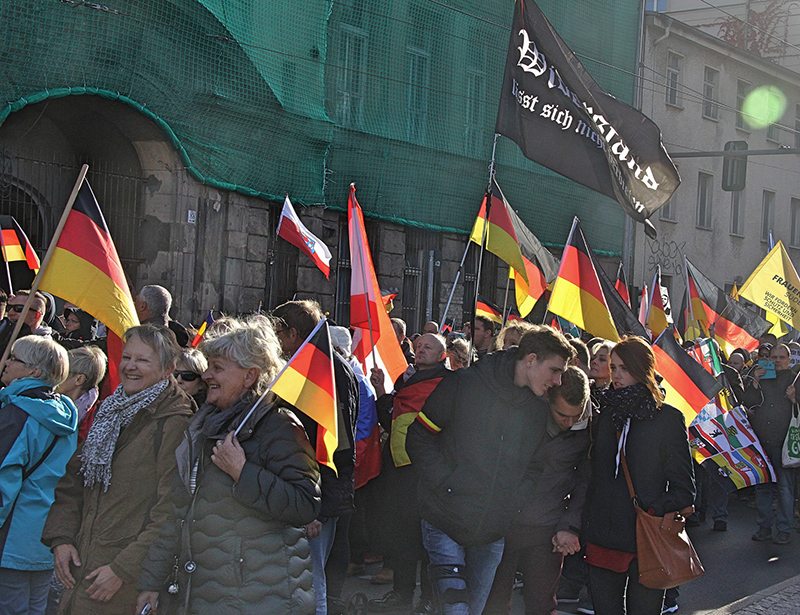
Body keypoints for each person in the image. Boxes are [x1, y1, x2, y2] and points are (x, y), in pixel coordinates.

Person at [136, 317, 320, 615]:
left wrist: (243, 472)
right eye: (209, 366)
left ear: (249, 376)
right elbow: (177, 513)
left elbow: (304, 504)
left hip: (260, 599)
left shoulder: (279, 426)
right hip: (202, 593)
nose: (206, 374)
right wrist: (151, 582)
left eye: (218, 368)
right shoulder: (202, 428)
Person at [406, 326, 575, 615]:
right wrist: (447, 484)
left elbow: (535, 467)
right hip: (444, 518)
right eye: (555, 370)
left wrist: (510, 504)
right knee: (456, 611)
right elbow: (419, 437)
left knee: (474, 611)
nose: (558, 381)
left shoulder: (537, 409)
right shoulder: (465, 383)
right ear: (531, 359)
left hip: (492, 530)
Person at [41, 325, 193, 615]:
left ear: (167, 369)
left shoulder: (174, 422)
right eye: (127, 357)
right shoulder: (110, 409)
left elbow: (172, 510)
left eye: (143, 360)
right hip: (83, 571)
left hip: (124, 584)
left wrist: (122, 569)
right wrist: (60, 540)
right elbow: (73, 482)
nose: (130, 367)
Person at [583, 336, 695, 615]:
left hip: (645, 535)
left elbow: (684, 488)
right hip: (602, 533)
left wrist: (654, 509)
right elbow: (594, 474)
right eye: (613, 367)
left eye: (623, 368)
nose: (615, 374)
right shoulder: (606, 414)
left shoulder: (667, 418)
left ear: (641, 369)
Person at [272, 300, 359, 615]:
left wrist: (314, 505)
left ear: (293, 334)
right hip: (317, 491)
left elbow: (328, 442)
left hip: (317, 492)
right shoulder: (328, 366)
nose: (276, 340)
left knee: (311, 581)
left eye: (278, 332)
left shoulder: (322, 370)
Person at [484, 366, 591, 615]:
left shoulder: (589, 426)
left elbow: (585, 481)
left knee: (542, 604)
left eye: (576, 416)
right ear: (547, 398)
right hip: (503, 521)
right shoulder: (521, 412)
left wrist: (569, 526)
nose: (569, 422)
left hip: (547, 526)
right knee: (494, 602)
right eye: (562, 414)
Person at [369, 333, 449, 615]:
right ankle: (401, 594)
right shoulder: (405, 381)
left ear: (443, 355)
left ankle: (430, 599)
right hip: (400, 471)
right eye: (418, 346)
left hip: (427, 471)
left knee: (428, 541)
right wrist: (381, 392)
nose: (420, 349)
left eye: (428, 346)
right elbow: (392, 421)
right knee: (402, 535)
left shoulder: (449, 384)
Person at [0, 336, 78, 615]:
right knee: (37, 607)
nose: (7, 362)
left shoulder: (17, 413)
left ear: (34, 371)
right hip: (47, 533)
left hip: (12, 534)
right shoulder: (65, 413)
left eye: (14, 358)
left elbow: (4, 479)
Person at [741, 342, 797, 545]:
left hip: (783, 442)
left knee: (784, 488)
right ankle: (764, 527)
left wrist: (794, 399)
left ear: (789, 361)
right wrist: (755, 382)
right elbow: (748, 403)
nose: (777, 361)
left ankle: (784, 529)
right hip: (760, 440)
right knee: (762, 487)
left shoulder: (794, 379)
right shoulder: (761, 376)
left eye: (782, 358)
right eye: (774, 357)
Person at [56, 345, 108, 442]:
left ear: (79, 379)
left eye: (61, 372)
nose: (54, 376)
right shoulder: (46, 403)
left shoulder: (98, 421)